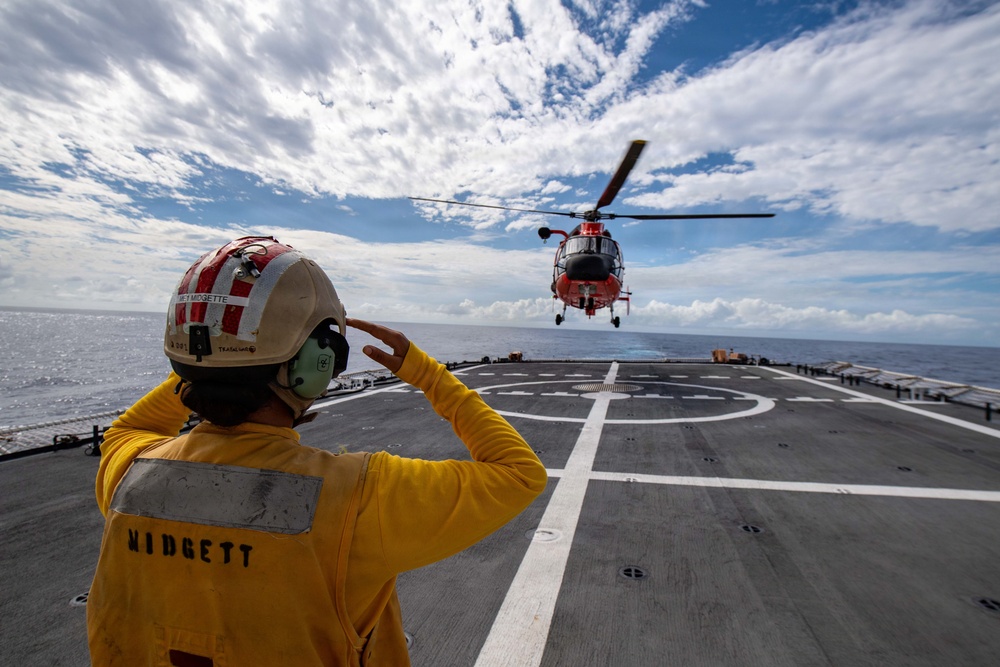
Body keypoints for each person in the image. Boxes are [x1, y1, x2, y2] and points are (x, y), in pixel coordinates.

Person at [87, 236, 547, 666]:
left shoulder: (128, 469)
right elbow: (520, 473)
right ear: (315, 364)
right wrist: (427, 374)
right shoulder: (361, 495)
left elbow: (130, 428)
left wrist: (211, 360)